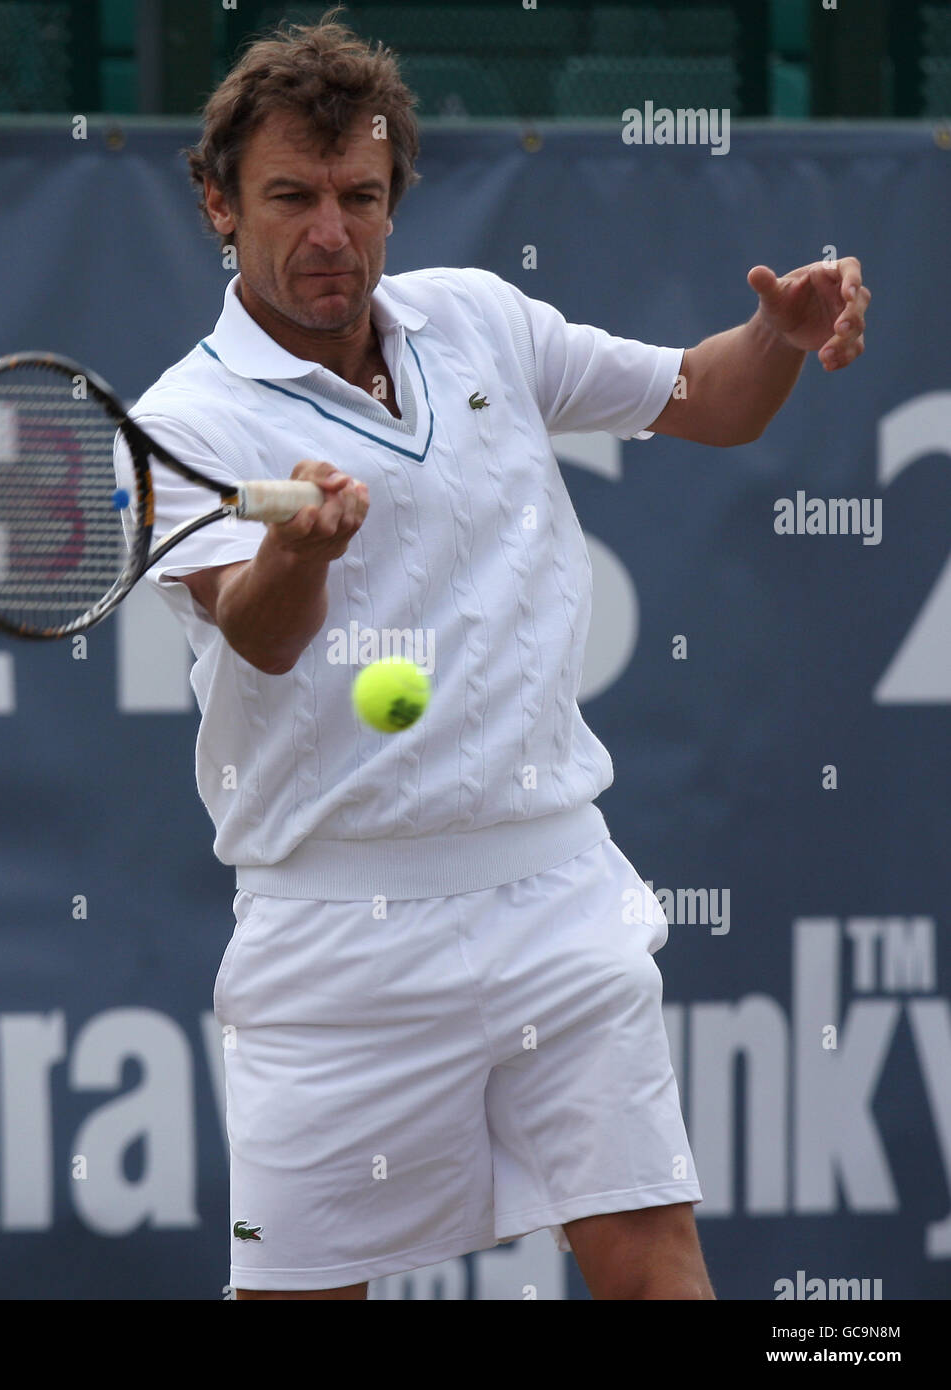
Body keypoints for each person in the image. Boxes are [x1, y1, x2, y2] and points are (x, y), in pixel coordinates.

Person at [114, 11, 869, 1300]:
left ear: (396, 196)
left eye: (359, 194)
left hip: (555, 889)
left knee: (651, 1260)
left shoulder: (478, 320)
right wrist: (303, 552)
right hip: (331, 929)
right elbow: (256, 628)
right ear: (217, 206)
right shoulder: (178, 424)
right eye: (290, 197)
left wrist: (779, 341)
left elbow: (709, 397)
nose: (330, 232)